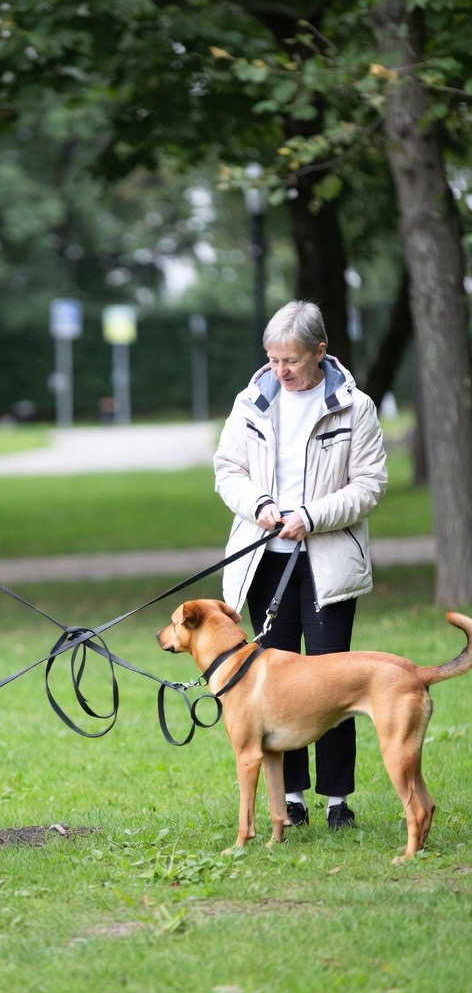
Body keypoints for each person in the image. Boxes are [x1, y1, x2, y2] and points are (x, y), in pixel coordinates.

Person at [213, 300, 387, 830]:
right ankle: (290, 799)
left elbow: (369, 486)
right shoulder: (252, 401)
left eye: (290, 360)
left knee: (333, 678)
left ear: (320, 351)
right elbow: (228, 471)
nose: (280, 370)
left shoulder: (354, 406)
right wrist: (261, 506)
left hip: (327, 560)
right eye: (272, 359)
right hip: (265, 559)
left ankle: (337, 801)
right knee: (274, 687)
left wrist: (311, 516)